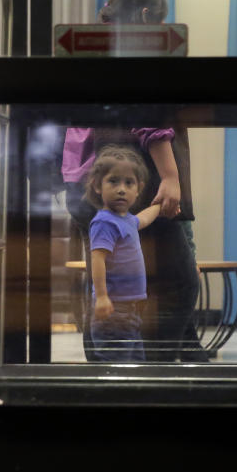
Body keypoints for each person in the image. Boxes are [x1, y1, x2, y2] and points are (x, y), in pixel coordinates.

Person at [63, 0, 207, 363]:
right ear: (146, 18)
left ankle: (109, 373)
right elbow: (148, 115)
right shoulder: (134, 52)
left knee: (106, 280)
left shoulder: (92, 53)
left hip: (90, 187)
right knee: (178, 279)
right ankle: (153, 367)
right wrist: (170, 177)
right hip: (131, 184)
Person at [84, 147, 162, 362]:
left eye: (129, 183)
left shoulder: (127, 220)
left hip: (131, 311)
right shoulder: (104, 222)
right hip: (113, 310)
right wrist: (101, 297)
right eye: (113, 181)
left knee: (134, 366)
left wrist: (161, 203)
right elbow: (97, 259)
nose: (121, 189)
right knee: (115, 366)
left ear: (139, 189)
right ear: (97, 186)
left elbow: (144, 218)